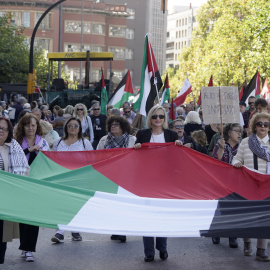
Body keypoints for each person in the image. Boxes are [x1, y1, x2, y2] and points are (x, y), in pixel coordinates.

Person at [134, 105, 180, 262]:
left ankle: (162, 247)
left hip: (165, 182)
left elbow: (181, 156)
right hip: (146, 181)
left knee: (162, 215)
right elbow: (134, 157)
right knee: (146, 216)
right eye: (155, 117)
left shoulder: (172, 135)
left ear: (165, 119)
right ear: (150, 119)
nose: (158, 119)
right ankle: (149, 252)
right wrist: (137, 148)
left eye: (161, 116)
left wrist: (179, 147)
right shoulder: (142, 134)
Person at [232, 112, 270, 262]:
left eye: (266, 124)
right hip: (249, 184)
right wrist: (236, 163)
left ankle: (261, 250)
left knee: (266, 217)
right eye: (259, 124)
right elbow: (236, 158)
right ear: (254, 125)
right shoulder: (246, 142)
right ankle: (247, 244)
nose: (262, 126)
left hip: (267, 185)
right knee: (248, 216)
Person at [51, 117, 93, 243]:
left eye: (76, 126)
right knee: (60, 204)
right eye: (70, 125)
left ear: (80, 128)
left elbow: (92, 160)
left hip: (79, 179)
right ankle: (60, 232)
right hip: (61, 178)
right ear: (66, 128)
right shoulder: (58, 142)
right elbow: (52, 158)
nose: (73, 128)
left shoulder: (85, 143)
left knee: (76, 204)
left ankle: (75, 229)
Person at [14, 114, 49, 262]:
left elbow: (49, 160)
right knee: (23, 217)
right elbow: (15, 158)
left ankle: (29, 249)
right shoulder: (16, 142)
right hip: (21, 184)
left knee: (33, 217)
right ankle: (24, 246)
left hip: (37, 185)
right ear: (23, 127)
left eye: (33, 125)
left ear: (37, 127)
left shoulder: (43, 142)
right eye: (28, 125)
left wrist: (42, 153)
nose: (30, 128)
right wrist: (30, 150)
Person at [97, 116, 136, 242]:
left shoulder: (132, 140)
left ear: (123, 127)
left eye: (116, 124)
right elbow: (97, 156)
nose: (113, 126)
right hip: (109, 176)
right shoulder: (104, 140)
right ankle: (115, 229)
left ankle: (122, 230)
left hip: (126, 175)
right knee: (112, 203)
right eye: (112, 124)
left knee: (123, 204)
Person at [0, 117, 29, 264]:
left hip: (5, 198)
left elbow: (23, 169)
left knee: (1, 233)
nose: (1, 131)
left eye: (4, 129)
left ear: (8, 131)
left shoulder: (14, 146)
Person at [211, 123, 243, 248]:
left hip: (237, 182)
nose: (240, 134)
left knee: (234, 210)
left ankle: (232, 236)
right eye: (237, 131)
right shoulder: (220, 144)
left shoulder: (243, 147)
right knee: (220, 209)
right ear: (229, 133)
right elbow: (215, 161)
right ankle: (216, 231)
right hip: (221, 182)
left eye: (240, 131)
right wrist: (220, 148)